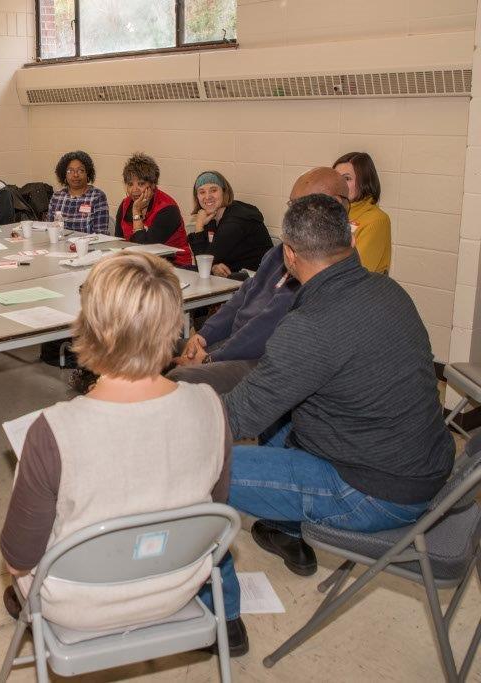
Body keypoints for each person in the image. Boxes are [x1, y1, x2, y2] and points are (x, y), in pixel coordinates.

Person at [0, 251, 246, 653]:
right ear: (172, 328)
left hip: (77, 605)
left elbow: (18, 562)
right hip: (179, 586)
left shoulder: (53, 431)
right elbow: (213, 515)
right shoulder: (211, 405)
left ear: (91, 327)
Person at [223, 194, 453, 600]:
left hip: (376, 494)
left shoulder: (309, 327)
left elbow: (235, 420)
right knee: (283, 413)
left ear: (289, 255)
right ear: (348, 239)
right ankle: (286, 528)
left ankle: (219, 602)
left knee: (205, 464)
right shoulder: (389, 290)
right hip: (426, 463)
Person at [168, 167, 349, 395]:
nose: (291, 215)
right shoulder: (280, 252)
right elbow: (242, 296)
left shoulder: (316, 266)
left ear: (331, 207)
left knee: (180, 379)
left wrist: (210, 358)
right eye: (291, 206)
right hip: (231, 344)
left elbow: (267, 325)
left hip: (257, 358)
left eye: (299, 207)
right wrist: (203, 337)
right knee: (156, 347)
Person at [112, 153, 193, 266]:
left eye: (141, 184)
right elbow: (118, 243)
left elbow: (146, 249)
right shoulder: (125, 204)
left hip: (173, 266)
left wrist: (136, 212)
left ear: (153, 184)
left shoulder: (167, 208)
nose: (134, 190)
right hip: (137, 264)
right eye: (130, 184)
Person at [187, 171, 272, 277]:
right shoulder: (212, 216)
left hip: (256, 280)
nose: (208, 196)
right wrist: (213, 266)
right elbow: (205, 261)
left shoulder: (235, 221)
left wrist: (199, 226)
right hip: (234, 274)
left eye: (213, 190)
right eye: (202, 192)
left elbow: (203, 265)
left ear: (224, 191)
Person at [333, 151, 391, 273]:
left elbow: (356, 272)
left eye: (347, 178)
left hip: (357, 290)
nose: (339, 184)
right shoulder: (333, 214)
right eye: (336, 178)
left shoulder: (377, 220)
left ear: (364, 182)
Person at [46, 151, 110, 235]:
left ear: (88, 173)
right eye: (70, 171)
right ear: (64, 174)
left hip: (87, 246)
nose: (75, 175)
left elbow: (101, 234)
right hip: (59, 245)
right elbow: (49, 229)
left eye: (80, 170)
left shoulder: (97, 197)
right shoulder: (57, 197)